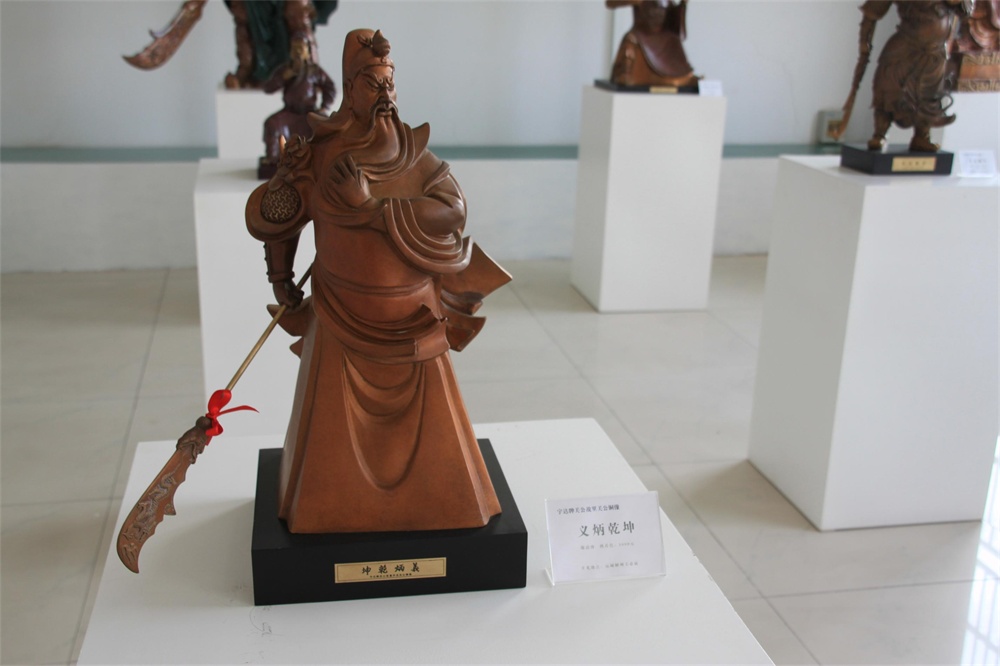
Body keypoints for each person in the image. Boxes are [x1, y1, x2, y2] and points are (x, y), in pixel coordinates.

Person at [245, 29, 508, 534]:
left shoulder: (414, 156)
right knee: (326, 467)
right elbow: (279, 220)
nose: (386, 94)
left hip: (415, 322)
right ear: (349, 88)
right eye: (373, 83)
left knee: (445, 470)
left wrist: (372, 210)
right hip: (340, 322)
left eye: (390, 83)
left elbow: (453, 210)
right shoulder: (319, 156)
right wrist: (280, 273)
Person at [833, 0, 972, 152]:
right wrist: (864, 43)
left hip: (935, 54)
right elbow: (872, 12)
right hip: (905, 47)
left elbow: (966, 11)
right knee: (888, 90)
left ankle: (922, 136)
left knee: (929, 96)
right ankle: (880, 134)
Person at [258, 37, 336, 178]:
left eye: (301, 48)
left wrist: (324, 106)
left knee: (326, 127)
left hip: (309, 113)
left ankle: (323, 160)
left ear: (308, 51)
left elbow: (329, 87)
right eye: (294, 49)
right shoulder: (285, 70)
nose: (298, 52)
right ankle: (274, 160)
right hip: (289, 112)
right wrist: (284, 77)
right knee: (272, 124)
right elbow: (268, 88)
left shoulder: (314, 71)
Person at [606, 0, 699, 87]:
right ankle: (626, 73)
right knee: (630, 39)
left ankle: (684, 77)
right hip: (642, 32)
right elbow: (610, 3)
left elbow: (673, 15)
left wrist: (682, 5)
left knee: (674, 41)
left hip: (664, 34)